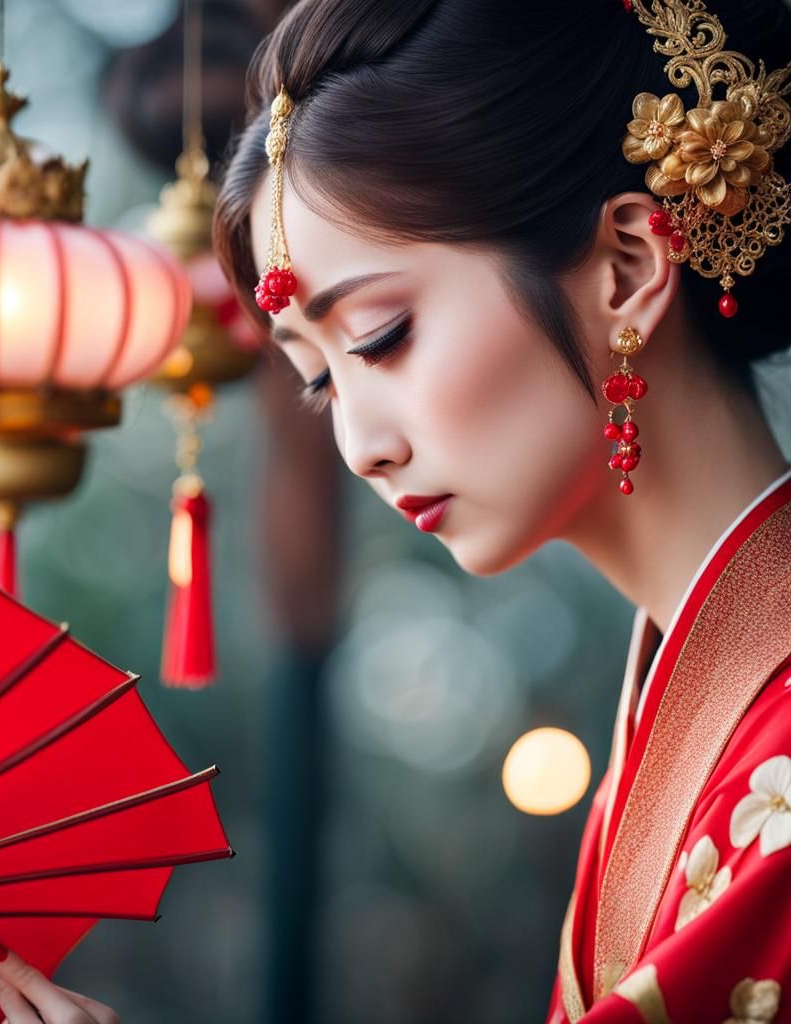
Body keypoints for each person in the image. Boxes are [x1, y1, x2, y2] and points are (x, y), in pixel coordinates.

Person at [208, 0, 791, 1021]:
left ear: (626, 267)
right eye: (319, 382)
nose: (359, 444)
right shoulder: (674, 725)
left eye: (382, 336)